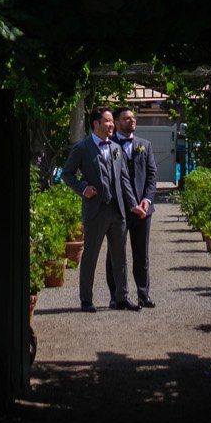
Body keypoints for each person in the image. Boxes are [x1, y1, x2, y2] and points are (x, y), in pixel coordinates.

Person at [61, 106, 137, 312]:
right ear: (95, 124)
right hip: (96, 211)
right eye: (108, 121)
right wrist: (83, 188)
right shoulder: (82, 148)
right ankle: (86, 300)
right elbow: (66, 174)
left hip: (117, 210)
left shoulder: (115, 148)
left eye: (112, 121)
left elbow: (124, 180)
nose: (112, 125)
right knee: (90, 256)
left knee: (120, 256)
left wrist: (133, 205)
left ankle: (122, 297)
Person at [116, 108, 158, 308]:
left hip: (143, 210)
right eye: (126, 118)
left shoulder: (145, 145)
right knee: (116, 254)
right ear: (117, 123)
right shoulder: (110, 145)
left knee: (142, 253)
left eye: (133, 117)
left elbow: (152, 175)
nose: (132, 120)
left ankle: (144, 294)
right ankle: (117, 295)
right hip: (120, 209)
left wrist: (147, 201)